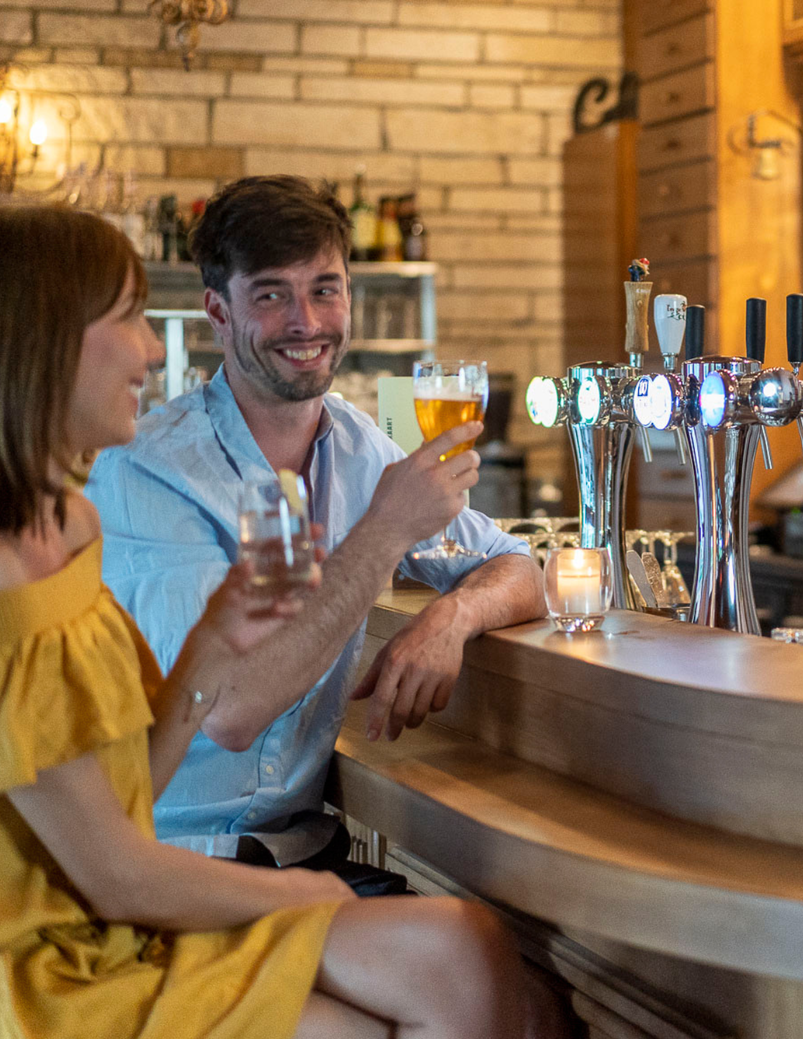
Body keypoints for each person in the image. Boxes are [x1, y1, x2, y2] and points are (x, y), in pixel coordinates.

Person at [0, 204, 547, 1037]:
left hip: (137, 903)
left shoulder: (68, 524)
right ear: (43, 339)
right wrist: (306, 891)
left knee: (481, 953)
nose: (151, 349)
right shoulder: (11, 562)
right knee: (441, 983)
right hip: (58, 956)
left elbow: (128, 780)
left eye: (325, 289)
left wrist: (213, 641)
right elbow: (116, 867)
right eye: (129, 318)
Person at [85, 175, 545, 874]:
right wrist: (385, 532)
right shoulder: (144, 468)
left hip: (303, 851)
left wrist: (452, 617)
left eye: (325, 289)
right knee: (478, 937)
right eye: (272, 295)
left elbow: (517, 564)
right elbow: (233, 712)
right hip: (169, 863)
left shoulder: (361, 446)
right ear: (218, 312)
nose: (306, 322)